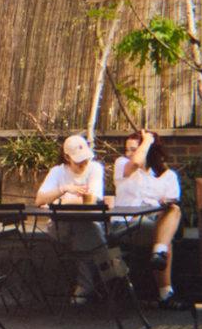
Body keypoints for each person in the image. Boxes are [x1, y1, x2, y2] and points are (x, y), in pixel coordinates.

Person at [35, 135, 107, 303]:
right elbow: (39, 200)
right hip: (60, 228)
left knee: (82, 226)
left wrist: (60, 202)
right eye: (78, 160)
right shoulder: (58, 172)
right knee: (84, 225)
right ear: (67, 157)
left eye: (86, 159)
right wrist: (63, 189)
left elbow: (91, 201)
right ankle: (108, 258)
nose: (84, 163)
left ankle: (83, 287)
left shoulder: (95, 168)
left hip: (86, 225)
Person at [113, 129, 181, 305]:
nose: (128, 154)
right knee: (165, 240)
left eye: (133, 149)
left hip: (152, 223)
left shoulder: (168, 176)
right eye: (127, 149)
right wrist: (147, 140)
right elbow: (135, 162)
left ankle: (158, 253)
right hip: (125, 225)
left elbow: (172, 202)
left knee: (173, 210)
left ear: (148, 150)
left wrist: (164, 203)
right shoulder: (123, 165)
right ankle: (166, 293)